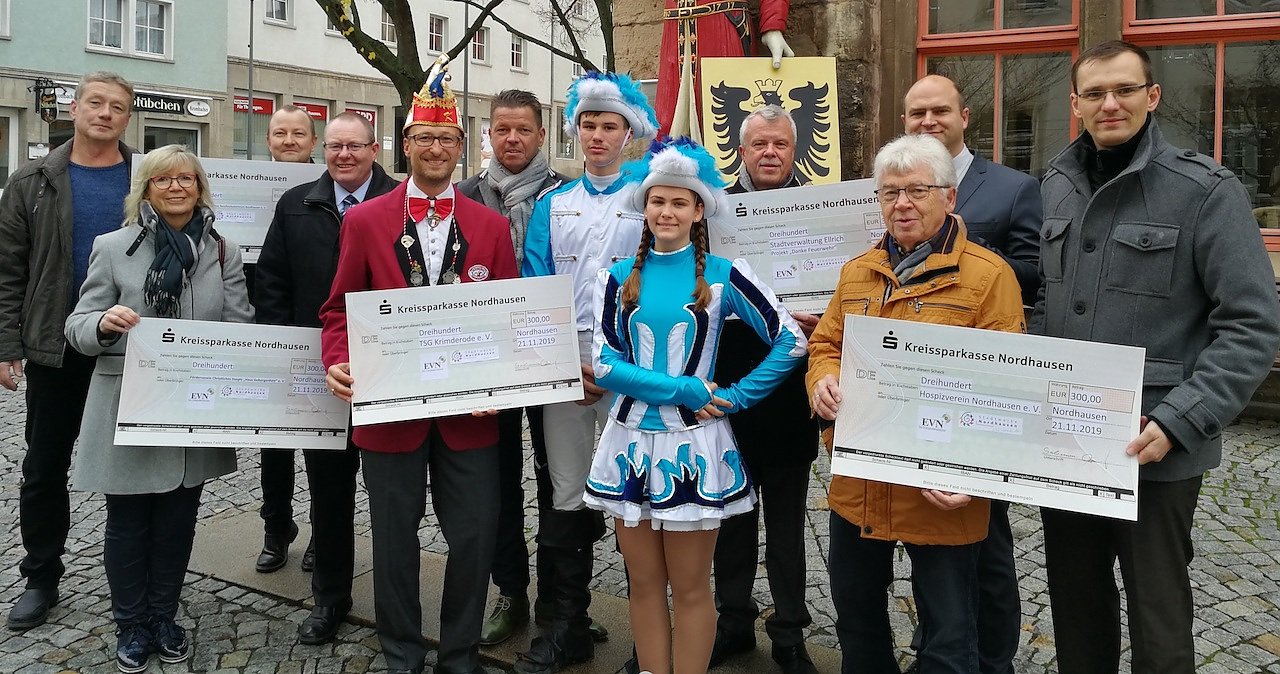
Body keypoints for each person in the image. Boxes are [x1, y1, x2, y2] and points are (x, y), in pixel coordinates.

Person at [1033, 41, 1280, 674]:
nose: (1109, 104)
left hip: (1156, 444)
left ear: (1153, 96)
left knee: (1159, 617)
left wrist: (1180, 420)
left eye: (1124, 90)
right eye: (1095, 93)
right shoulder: (1056, 186)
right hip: (1069, 441)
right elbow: (1047, 305)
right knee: (1076, 607)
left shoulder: (1204, 191)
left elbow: (1253, 325)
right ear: (1076, 104)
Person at [320, 59, 517, 674]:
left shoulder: (491, 226)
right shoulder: (363, 221)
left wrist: (504, 380)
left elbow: (508, 318)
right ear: (406, 145)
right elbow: (338, 310)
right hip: (389, 412)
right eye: (425, 138)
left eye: (447, 139)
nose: (436, 149)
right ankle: (401, 654)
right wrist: (339, 360)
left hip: (470, 415)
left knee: (475, 538)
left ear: (462, 148)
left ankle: (459, 655)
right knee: (393, 540)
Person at [585, 136, 807, 674]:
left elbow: (790, 340)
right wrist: (686, 390)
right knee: (643, 584)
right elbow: (605, 364)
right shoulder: (615, 276)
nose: (667, 211)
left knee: (689, 588)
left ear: (699, 210)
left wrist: (736, 397)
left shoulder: (726, 274)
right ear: (645, 206)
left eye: (679, 202)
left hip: (694, 447)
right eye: (658, 200)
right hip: (630, 442)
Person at [808, 133, 1025, 674]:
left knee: (949, 636)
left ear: (949, 197)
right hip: (860, 483)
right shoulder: (858, 271)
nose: (901, 204)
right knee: (857, 620)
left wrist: (975, 474)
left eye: (916, 191)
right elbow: (826, 343)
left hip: (941, 490)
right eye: (890, 192)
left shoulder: (989, 276)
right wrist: (823, 378)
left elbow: (1008, 388)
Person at [64, 144, 253, 673]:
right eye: (163, 179)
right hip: (128, 403)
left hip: (193, 405)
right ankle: (131, 623)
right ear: (145, 189)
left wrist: (227, 356)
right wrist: (104, 324)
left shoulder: (222, 250)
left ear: (200, 188)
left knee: (177, 519)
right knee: (127, 519)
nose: (175, 187)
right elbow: (78, 325)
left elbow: (240, 322)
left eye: (186, 179)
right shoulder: (113, 246)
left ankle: (164, 616)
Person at [900, 74, 1043, 674]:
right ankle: (938, 650)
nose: (928, 121)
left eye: (939, 111)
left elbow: (1036, 271)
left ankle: (993, 659)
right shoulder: (893, 184)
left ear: (965, 116)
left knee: (988, 539)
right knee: (928, 533)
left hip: (980, 385)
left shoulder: (1013, 187)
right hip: (912, 384)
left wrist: (962, 264)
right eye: (916, 113)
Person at [517, 71, 659, 674]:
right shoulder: (552, 204)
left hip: (636, 365)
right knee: (566, 492)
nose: (598, 136)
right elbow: (535, 287)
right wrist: (562, 364)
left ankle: (649, 639)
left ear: (628, 133)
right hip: (567, 365)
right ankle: (566, 625)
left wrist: (626, 368)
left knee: (638, 494)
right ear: (575, 131)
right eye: (588, 125)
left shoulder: (650, 197)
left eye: (609, 126)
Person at [254, 112, 398, 644]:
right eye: (335, 146)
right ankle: (330, 597)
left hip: (387, 370)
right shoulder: (297, 203)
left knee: (392, 497)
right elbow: (272, 280)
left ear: (374, 149)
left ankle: (396, 605)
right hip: (321, 370)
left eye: (354, 146)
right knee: (329, 491)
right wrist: (287, 349)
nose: (344, 155)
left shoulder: (400, 202)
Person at [0, 71, 136, 631]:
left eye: (117, 107)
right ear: (74, 109)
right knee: (44, 465)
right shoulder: (32, 181)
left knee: (131, 464)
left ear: (128, 117)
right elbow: (9, 268)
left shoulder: (148, 176)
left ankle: (133, 579)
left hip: (131, 346)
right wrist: (6, 343)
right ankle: (41, 577)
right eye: (95, 103)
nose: (105, 113)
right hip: (56, 345)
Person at [457, 89, 573, 646]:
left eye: (523, 129)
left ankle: (560, 599)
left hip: (553, 355)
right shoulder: (464, 196)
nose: (512, 139)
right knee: (497, 481)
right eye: (501, 129)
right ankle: (511, 592)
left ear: (541, 134)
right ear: (489, 133)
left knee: (559, 480)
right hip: (490, 361)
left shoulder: (568, 195)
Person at [708, 105, 819, 674]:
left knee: (787, 526)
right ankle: (733, 622)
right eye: (759, 144)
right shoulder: (714, 213)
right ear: (741, 151)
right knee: (731, 520)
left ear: (794, 150)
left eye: (780, 144)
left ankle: (790, 633)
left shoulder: (823, 211)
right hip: (728, 386)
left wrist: (822, 318)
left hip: (792, 393)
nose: (770, 153)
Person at [254, 104, 325, 576]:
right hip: (271, 326)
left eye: (298, 133)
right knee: (274, 442)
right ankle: (276, 527)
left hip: (319, 331)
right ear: (268, 140)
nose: (289, 141)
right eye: (280, 133)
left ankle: (322, 530)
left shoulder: (330, 186)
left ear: (313, 141)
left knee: (323, 444)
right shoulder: (243, 183)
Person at [656, 0, 793, 139]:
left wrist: (773, 23)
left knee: (728, 121)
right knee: (667, 126)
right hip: (675, 28)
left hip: (724, 24)